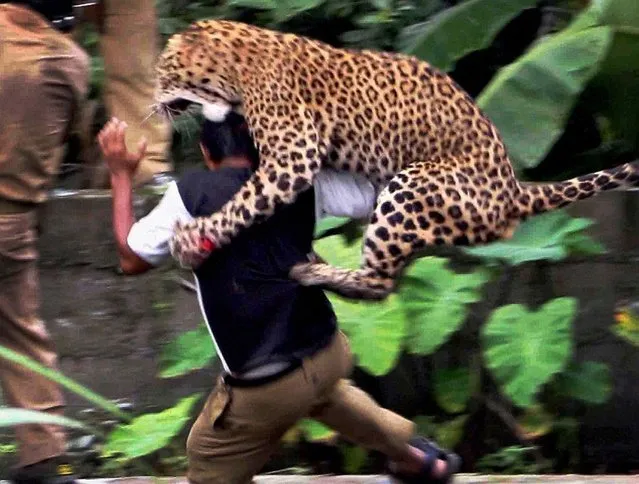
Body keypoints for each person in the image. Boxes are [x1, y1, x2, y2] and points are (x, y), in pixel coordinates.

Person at [98, 113, 462, 484]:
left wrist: (120, 174)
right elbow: (378, 194)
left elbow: (132, 259)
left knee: (206, 456)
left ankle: (411, 456)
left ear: (207, 153)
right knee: (324, 393)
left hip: (268, 380)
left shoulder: (192, 195)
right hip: (328, 350)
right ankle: (416, 459)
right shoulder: (300, 180)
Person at [0, 1, 90, 482]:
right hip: (13, 225)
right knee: (22, 334)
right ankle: (42, 455)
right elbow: (68, 140)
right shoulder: (71, 63)